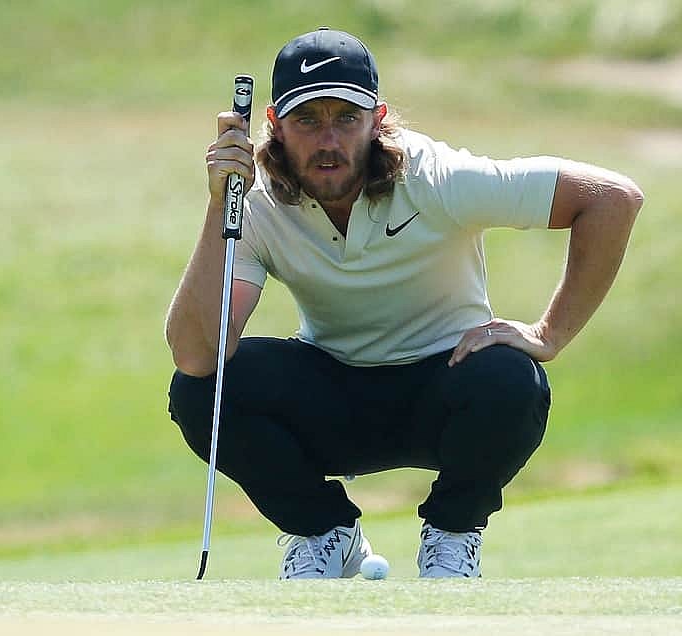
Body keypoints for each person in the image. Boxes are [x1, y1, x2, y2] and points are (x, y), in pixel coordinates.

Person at [165, 27, 643, 579]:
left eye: (346, 118)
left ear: (377, 119)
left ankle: (451, 536)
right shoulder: (258, 207)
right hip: (335, 397)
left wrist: (548, 334)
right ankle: (325, 534)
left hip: (447, 390)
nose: (329, 141)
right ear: (273, 125)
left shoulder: (436, 178)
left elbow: (611, 199)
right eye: (307, 120)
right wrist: (218, 204)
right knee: (203, 392)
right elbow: (197, 354)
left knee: (513, 380)